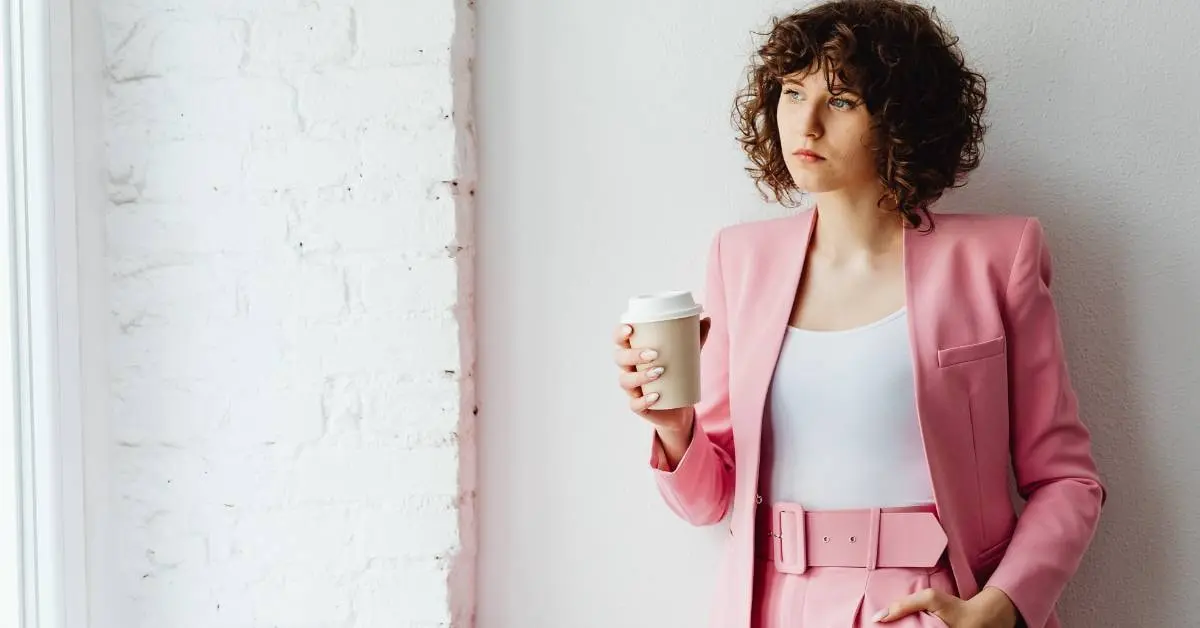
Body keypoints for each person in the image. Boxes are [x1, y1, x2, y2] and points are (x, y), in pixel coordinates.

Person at [611, 1, 1106, 627]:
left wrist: (1000, 609)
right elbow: (710, 502)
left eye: (840, 101)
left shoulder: (996, 258)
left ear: (900, 119)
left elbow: (1068, 481)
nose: (806, 125)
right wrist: (675, 426)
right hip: (773, 608)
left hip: (935, 605)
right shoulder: (739, 260)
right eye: (792, 93)